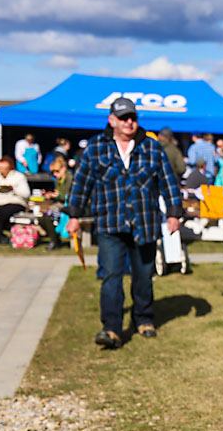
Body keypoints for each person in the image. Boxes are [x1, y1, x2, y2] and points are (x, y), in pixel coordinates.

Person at [66, 97, 183, 349]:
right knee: (111, 276)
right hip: (110, 223)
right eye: (123, 118)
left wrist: (173, 212)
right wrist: (73, 215)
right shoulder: (96, 148)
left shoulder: (152, 147)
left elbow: (168, 181)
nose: (129, 122)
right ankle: (111, 328)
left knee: (143, 276)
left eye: (133, 117)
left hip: (145, 222)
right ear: (112, 120)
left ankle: (144, 319)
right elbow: (81, 184)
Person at [0, 155, 30, 243]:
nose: (1, 170)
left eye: (4, 168)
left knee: (3, 214)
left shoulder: (19, 176)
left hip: (14, 201)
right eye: (0, 168)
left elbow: (26, 194)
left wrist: (13, 189)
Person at [40, 155, 73, 250]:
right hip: (59, 205)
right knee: (41, 218)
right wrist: (51, 195)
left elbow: (68, 197)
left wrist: (57, 196)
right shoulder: (58, 180)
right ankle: (55, 239)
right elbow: (59, 195)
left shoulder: (70, 179)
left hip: (69, 206)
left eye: (57, 171)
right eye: (53, 172)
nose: (55, 174)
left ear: (64, 168)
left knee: (49, 218)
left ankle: (54, 242)